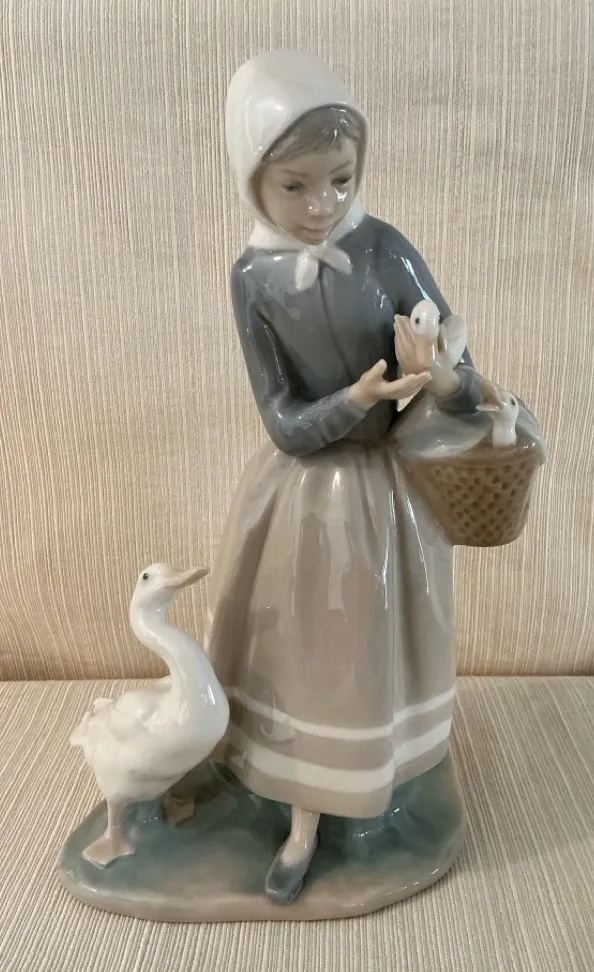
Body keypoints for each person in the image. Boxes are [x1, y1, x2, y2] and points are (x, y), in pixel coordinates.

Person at [205, 50, 484, 904]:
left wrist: (439, 374)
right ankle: (300, 818)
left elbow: (463, 374)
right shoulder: (253, 279)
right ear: (253, 179)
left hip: (388, 494)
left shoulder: (383, 248)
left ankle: (379, 795)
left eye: (340, 180)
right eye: (294, 185)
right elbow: (282, 419)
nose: (321, 205)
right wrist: (354, 398)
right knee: (306, 655)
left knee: (377, 655)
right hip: (303, 498)